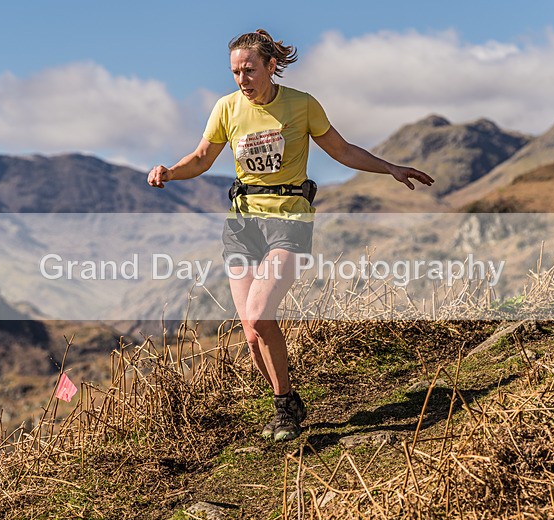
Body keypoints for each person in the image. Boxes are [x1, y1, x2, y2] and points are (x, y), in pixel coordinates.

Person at [148, 29, 433, 442]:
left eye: (249, 70)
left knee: (262, 314)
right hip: (243, 225)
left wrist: (390, 168)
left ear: (270, 66)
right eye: (234, 72)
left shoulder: (302, 105)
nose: (241, 79)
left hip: (289, 220)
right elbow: (201, 158)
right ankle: (288, 398)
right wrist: (170, 172)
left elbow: (343, 150)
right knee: (250, 333)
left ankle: (283, 409)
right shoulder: (226, 109)